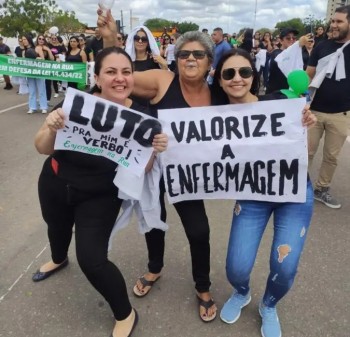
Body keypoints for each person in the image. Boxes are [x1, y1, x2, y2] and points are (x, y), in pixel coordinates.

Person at [32, 46, 168, 337]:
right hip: (55, 183)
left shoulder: (143, 118)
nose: (120, 79)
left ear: (133, 77)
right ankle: (58, 258)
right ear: (96, 76)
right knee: (55, 226)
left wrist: (154, 152)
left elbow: (141, 170)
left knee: (92, 260)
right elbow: (42, 147)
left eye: (126, 72)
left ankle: (125, 313)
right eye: (111, 72)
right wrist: (51, 127)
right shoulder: (73, 104)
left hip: (100, 196)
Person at [98, 9, 218, 322]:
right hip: (153, 168)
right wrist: (111, 39)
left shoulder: (217, 94)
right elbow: (118, 79)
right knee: (154, 220)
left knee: (199, 230)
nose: (190, 59)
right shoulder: (163, 81)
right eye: (184, 54)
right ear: (175, 59)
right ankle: (154, 268)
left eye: (199, 54)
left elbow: (252, 116)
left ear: (209, 61)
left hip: (189, 177)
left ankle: (202, 286)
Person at [211, 48, 316, 337]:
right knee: (236, 267)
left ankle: (269, 305)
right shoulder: (214, 119)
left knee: (285, 267)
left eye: (244, 72)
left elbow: (304, 149)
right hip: (251, 196)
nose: (237, 78)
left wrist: (306, 123)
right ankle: (242, 292)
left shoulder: (281, 103)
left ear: (253, 76)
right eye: (228, 73)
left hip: (294, 195)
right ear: (219, 81)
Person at [306, 5, 350, 209]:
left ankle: (322, 189)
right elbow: (309, 74)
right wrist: (303, 102)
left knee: (331, 157)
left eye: (339, 21)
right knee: (306, 152)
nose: (333, 25)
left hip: (341, 113)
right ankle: (298, 186)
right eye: (333, 21)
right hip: (314, 111)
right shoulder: (321, 47)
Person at [21, 34, 49, 114]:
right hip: (30, 73)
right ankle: (32, 107)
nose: (24, 41)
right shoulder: (24, 51)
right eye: (22, 40)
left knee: (41, 90)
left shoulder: (37, 48)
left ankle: (43, 107)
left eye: (25, 39)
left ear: (29, 40)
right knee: (31, 90)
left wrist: (38, 58)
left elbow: (43, 60)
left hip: (39, 72)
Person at [35, 34, 55, 104]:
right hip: (38, 69)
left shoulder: (46, 48)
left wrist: (48, 50)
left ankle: (47, 100)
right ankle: (41, 98)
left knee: (48, 84)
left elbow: (52, 59)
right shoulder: (35, 48)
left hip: (47, 69)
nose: (41, 40)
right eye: (39, 39)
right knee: (40, 85)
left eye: (43, 39)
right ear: (37, 39)